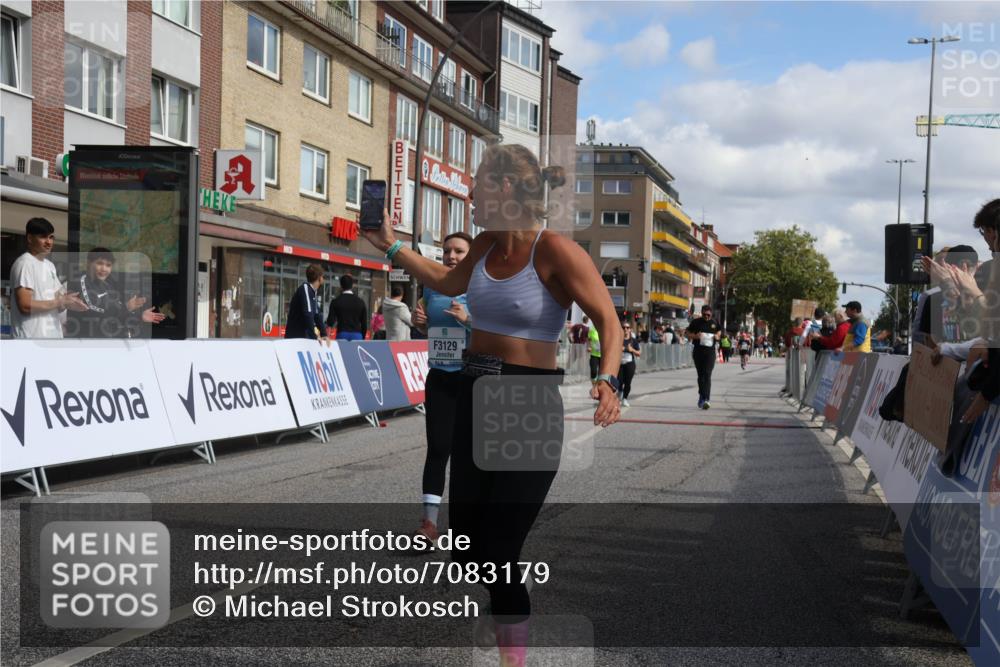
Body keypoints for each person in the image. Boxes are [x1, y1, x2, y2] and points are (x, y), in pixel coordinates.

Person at [360, 143, 621, 667]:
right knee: (470, 552)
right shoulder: (482, 246)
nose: (471, 195)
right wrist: (389, 245)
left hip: (528, 401)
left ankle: (512, 657)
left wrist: (608, 378)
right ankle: (511, 609)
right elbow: (442, 279)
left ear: (504, 188)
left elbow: (608, 321)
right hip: (475, 397)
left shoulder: (555, 251)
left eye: (477, 185)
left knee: (499, 552)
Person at [410, 232, 473, 542]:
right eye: (447, 251)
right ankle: (429, 524)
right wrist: (419, 322)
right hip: (439, 376)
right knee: (437, 448)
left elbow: (498, 332)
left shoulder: (480, 286)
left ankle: (469, 524)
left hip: (471, 377)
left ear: (471, 256)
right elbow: (426, 326)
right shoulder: (432, 286)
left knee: (468, 454)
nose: (451, 256)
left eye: (459, 251)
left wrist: (469, 319)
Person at [10, 217, 87, 338]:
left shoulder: (49, 265)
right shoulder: (25, 263)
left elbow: (57, 301)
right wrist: (61, 301)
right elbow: (25, 306)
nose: (49, 242)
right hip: (29, 341)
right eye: (43, 237)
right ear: (30, 238)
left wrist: (70, 301)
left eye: (51, 237)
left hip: (52, 339)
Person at [67, 247, 166, 338]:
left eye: (108, 265)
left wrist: (140, 316)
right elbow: (92, 310)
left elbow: (118, 314)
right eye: (99, 263)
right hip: (86, 344)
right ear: (89, 263)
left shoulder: (108, 285)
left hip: (108, 342)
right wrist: (126, 307)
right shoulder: (80, 282)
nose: (104, 269)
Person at [685, 305, 721, 409]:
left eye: (709, 315)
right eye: (705, 314)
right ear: (701, 313)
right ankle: (701, 395)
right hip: (698, 352)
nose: (707, 317)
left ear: (711, 314)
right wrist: (695, 336)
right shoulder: (696, 322)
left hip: (710, 353)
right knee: (701, 376)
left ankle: (706, 399)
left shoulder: (714, 322)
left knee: (707, 375)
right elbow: (687, 333)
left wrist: (717, 336)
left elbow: (719, 332)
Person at [284, 264, 327, 340]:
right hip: (295, 338)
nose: (323, 279)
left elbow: (317, 316)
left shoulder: (313, 292)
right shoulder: (305, 289)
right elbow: (308, 314)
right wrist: (315, 335)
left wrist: (324, 334)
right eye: (323, 276)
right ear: (319, 278)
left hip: (303, 337)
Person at [325, 274, 368, 341]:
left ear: (341, 286)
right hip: (357, 335)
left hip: (342, 333)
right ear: (352, 285)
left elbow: (330, 321)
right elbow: (364, 323)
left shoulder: (336, 301)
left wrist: (326, 336)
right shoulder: (361, 302)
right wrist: (363, 336)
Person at [618, 322, 641, 407]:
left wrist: (632, 350)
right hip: (620, 364)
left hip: (630, 363)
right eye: (623, 327)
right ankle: (620, 391)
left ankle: (625, 399)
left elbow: (639, 353)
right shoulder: (618, 339)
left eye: (627, 327)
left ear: (630, 329)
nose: (625, 329)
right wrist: (618, 349)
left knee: (627, 382)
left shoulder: (633, 340)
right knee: (619, 381)